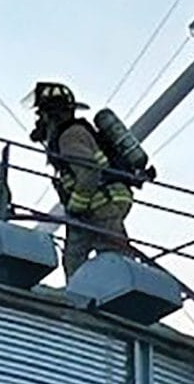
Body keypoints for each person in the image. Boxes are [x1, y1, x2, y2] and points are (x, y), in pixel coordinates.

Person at [27, 81, 137, 279]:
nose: (39, 121)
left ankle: (123, 292)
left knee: (114, 252)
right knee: (73, 258)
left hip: (102, 203)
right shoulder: (70, 134)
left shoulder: (69, 136)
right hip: (91, 207)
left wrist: (77, 206)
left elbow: (89, 174)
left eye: (41, 115)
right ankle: (80, 295)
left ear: (50, 114)